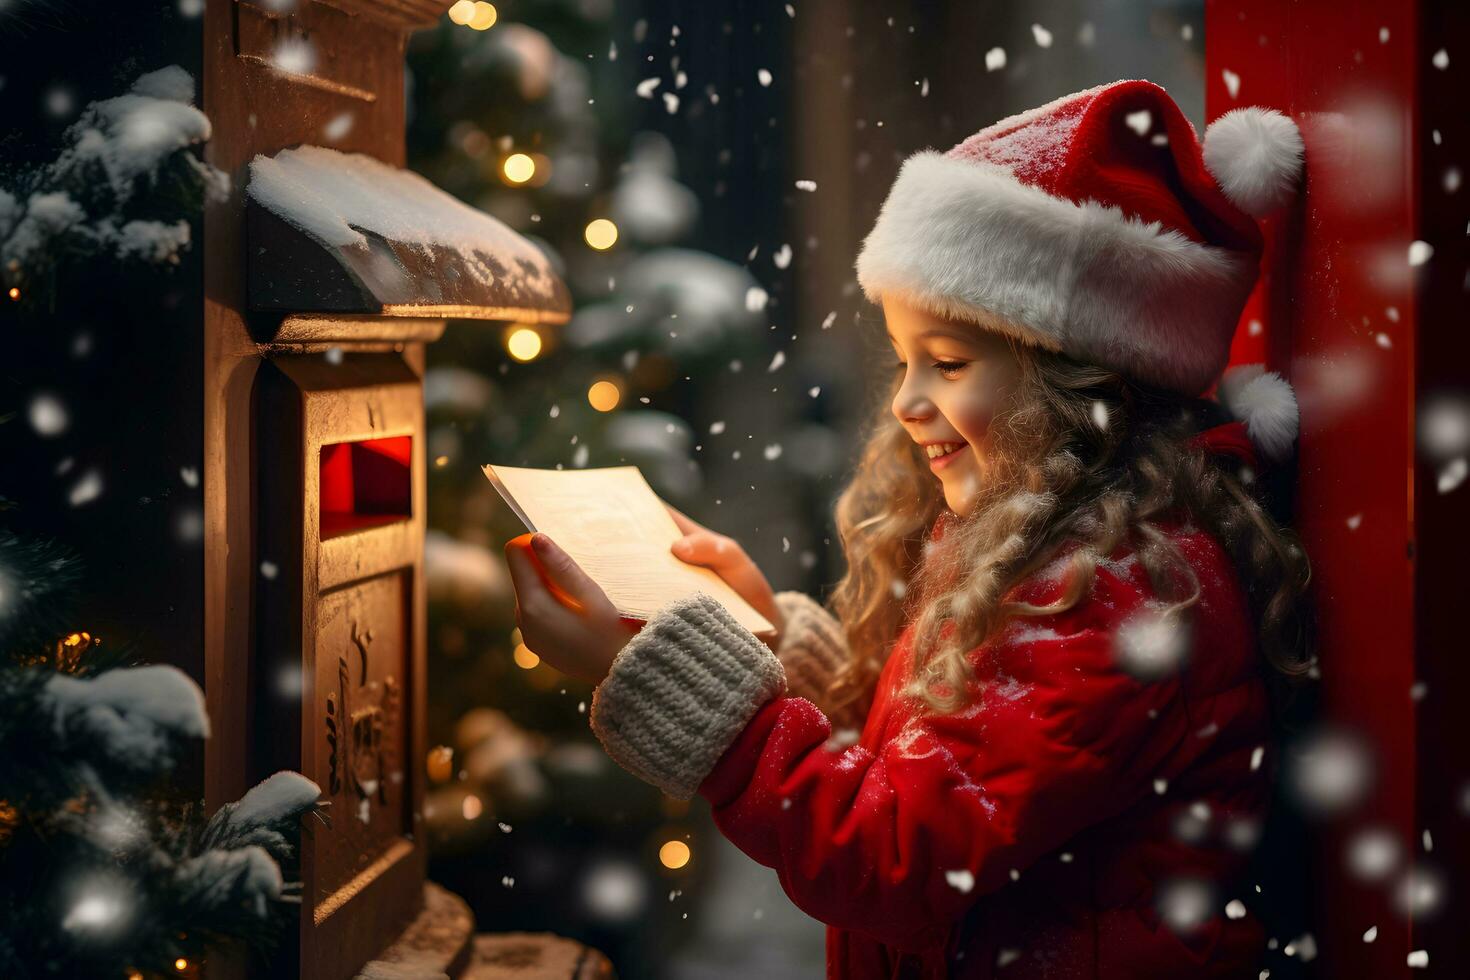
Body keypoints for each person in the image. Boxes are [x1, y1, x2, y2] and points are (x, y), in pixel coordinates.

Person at [504, 79, 1313, 978]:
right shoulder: (1076, 547)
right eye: (903, 359)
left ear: (1082, 382)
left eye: (949, 362)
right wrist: (763, 630)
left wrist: (677, 687)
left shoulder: (1121, 592)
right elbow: (964, 764)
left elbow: (902, 851)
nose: (907, 401)